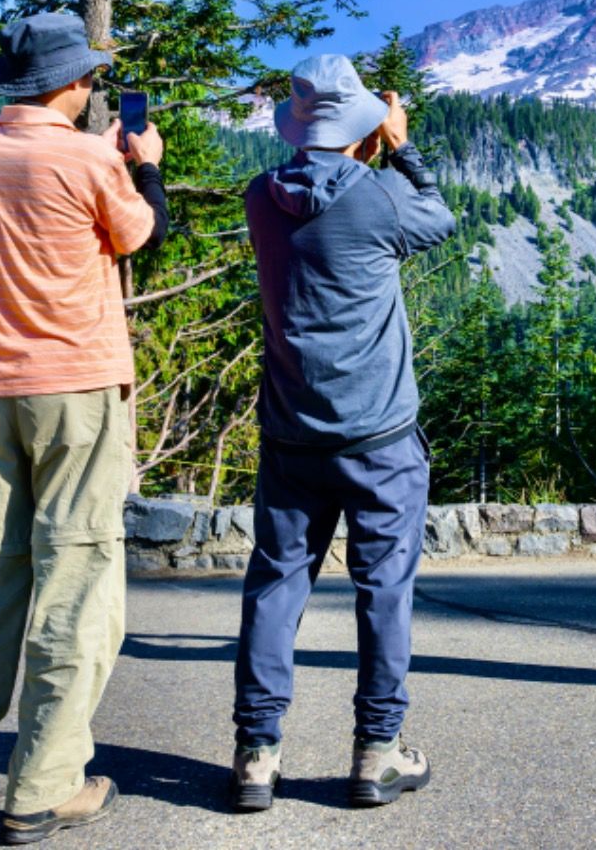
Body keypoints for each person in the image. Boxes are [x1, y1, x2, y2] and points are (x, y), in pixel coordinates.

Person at [0, 12, 169, 844]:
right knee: (77, 576)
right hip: (78, 386)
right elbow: (137, 236)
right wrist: (145, 168)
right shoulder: (90, 155)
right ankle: (44, 786)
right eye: (86, 76)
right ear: (73, 84)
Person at [230, 53, 455, 812]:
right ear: (359, 125)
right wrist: (401, 144)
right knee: (383, 591)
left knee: (275, 585)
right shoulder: (380, 198)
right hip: (380, 438)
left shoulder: (261, 196)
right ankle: (376, 754)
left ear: (297, 126)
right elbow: (443, 216)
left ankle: (256, 756)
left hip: (292, 433)